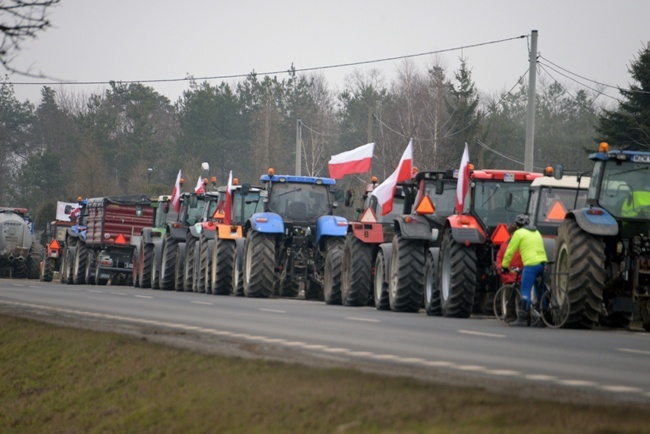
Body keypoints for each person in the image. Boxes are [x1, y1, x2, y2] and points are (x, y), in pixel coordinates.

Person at [501, 214, 548, 327]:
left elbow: (510, 251)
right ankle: (543, 318)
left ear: (517, 225)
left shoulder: (518, 233)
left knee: (525, 290)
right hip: (542, 263)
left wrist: (504, 266)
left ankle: (522, 318)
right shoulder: (537, 232)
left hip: (531, 265)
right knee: (540, 291)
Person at [496, 223, 523, 323]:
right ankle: (511, 317)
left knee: (519, 298)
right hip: (510, 276)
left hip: (517, 275)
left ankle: (519, 317)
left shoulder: (511, 245)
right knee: (510, 298)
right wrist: (500, 268)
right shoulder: (505, 245)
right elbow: (499, 258)